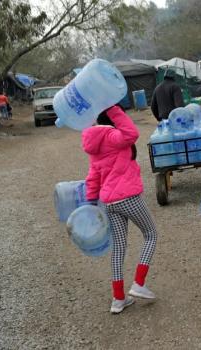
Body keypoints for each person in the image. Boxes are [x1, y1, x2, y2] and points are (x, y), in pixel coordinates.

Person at [82, 105, 158, 314]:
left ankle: (118, 299)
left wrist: (90, 203)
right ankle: (139, 283)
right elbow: (132, 132)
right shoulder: (114, 137)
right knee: (151, 235)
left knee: (119, 247)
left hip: (109, 202)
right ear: (113, 118)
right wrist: (113, 107)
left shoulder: (95, 145)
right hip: (128, 198)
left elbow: (93, 176)